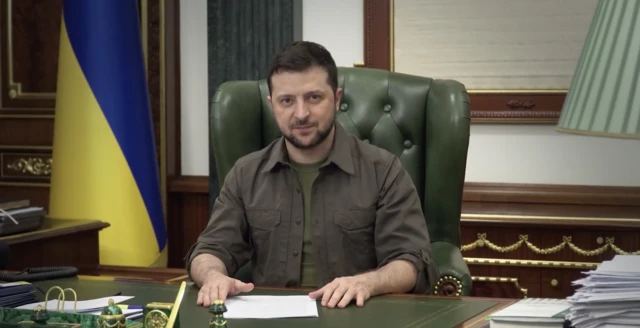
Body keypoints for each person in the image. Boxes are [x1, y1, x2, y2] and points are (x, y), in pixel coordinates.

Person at [185, 41, 439, 309]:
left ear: (337, 99)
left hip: (354, 316)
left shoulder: (384, 170)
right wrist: (213, 276)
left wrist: (368, 282)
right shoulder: (246, 174)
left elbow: (412, 261)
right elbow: (210, 250)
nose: (301, 113)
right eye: (287, 101)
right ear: (272, 105)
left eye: (314, 98)